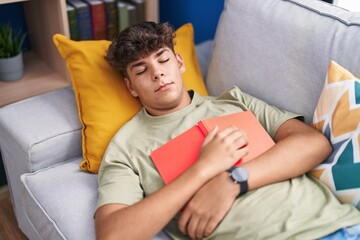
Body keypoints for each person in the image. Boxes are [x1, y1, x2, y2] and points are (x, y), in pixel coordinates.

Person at [94, 22, 360, 240]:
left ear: (179, 62)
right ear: (131, 87)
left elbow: (314, 144)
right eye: (142, 71)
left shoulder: (234, 100)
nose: (158, 74)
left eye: (163, 60)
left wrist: (233, 180)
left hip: (340, 225)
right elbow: (113, 233)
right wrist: (203, 169)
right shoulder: (126, 147)